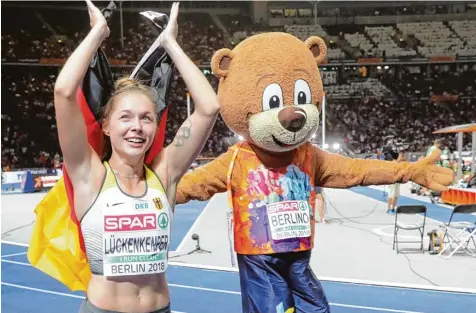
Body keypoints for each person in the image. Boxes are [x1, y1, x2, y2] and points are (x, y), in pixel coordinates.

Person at [53, 2, 219, 313]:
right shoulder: (90, 175)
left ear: (156, 126)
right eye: (125, 117)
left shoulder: (164, 175)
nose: (136, 127)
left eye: (146, 118)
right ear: (106, 125)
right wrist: (97, 34)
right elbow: (63, 92)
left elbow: (208, 107)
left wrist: (170, 43)